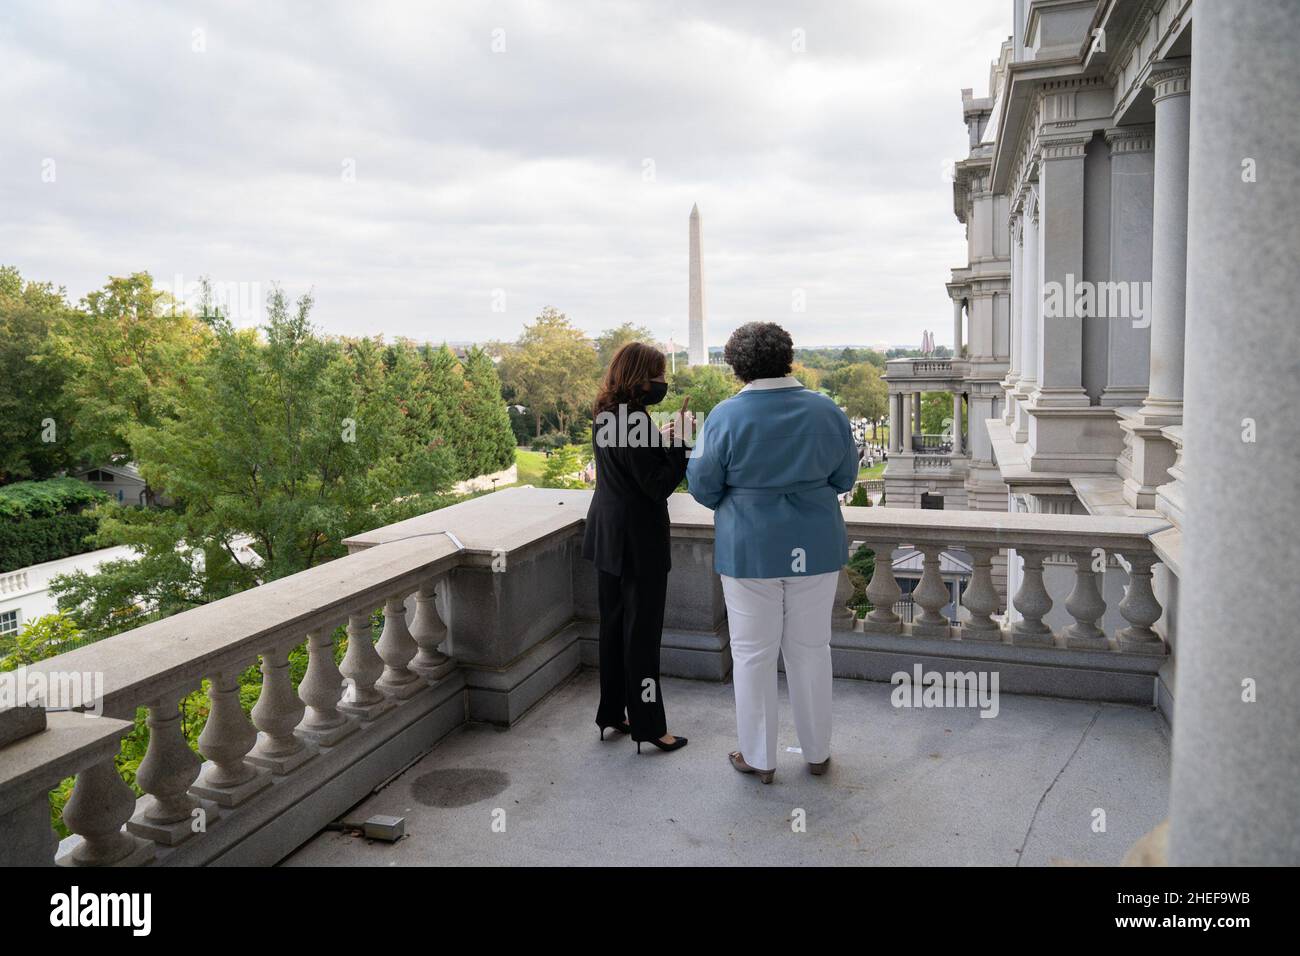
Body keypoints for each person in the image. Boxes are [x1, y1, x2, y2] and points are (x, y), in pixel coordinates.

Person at [687, 322, 857, 783]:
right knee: (811, 651)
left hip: (750, 549)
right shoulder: (827, 411)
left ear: (738, 366)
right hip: (816, 545)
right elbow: (845, 479)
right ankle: (817, 753)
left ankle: (759, 759)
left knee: (752, 654)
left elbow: (702, 487)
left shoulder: (723, 416)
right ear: (788, 357)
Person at [582, 342, 692, 754]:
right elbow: (657, 485)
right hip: (638, 542)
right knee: (642, 637)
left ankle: (612, 712)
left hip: (607, 534)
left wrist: (657, 439)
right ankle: (649, 726)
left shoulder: (606, 415)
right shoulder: (637, 422)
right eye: (659, 375)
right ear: (640, 378)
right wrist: (680, 444)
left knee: (612, 629)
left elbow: (629, 465)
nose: (663, 383)